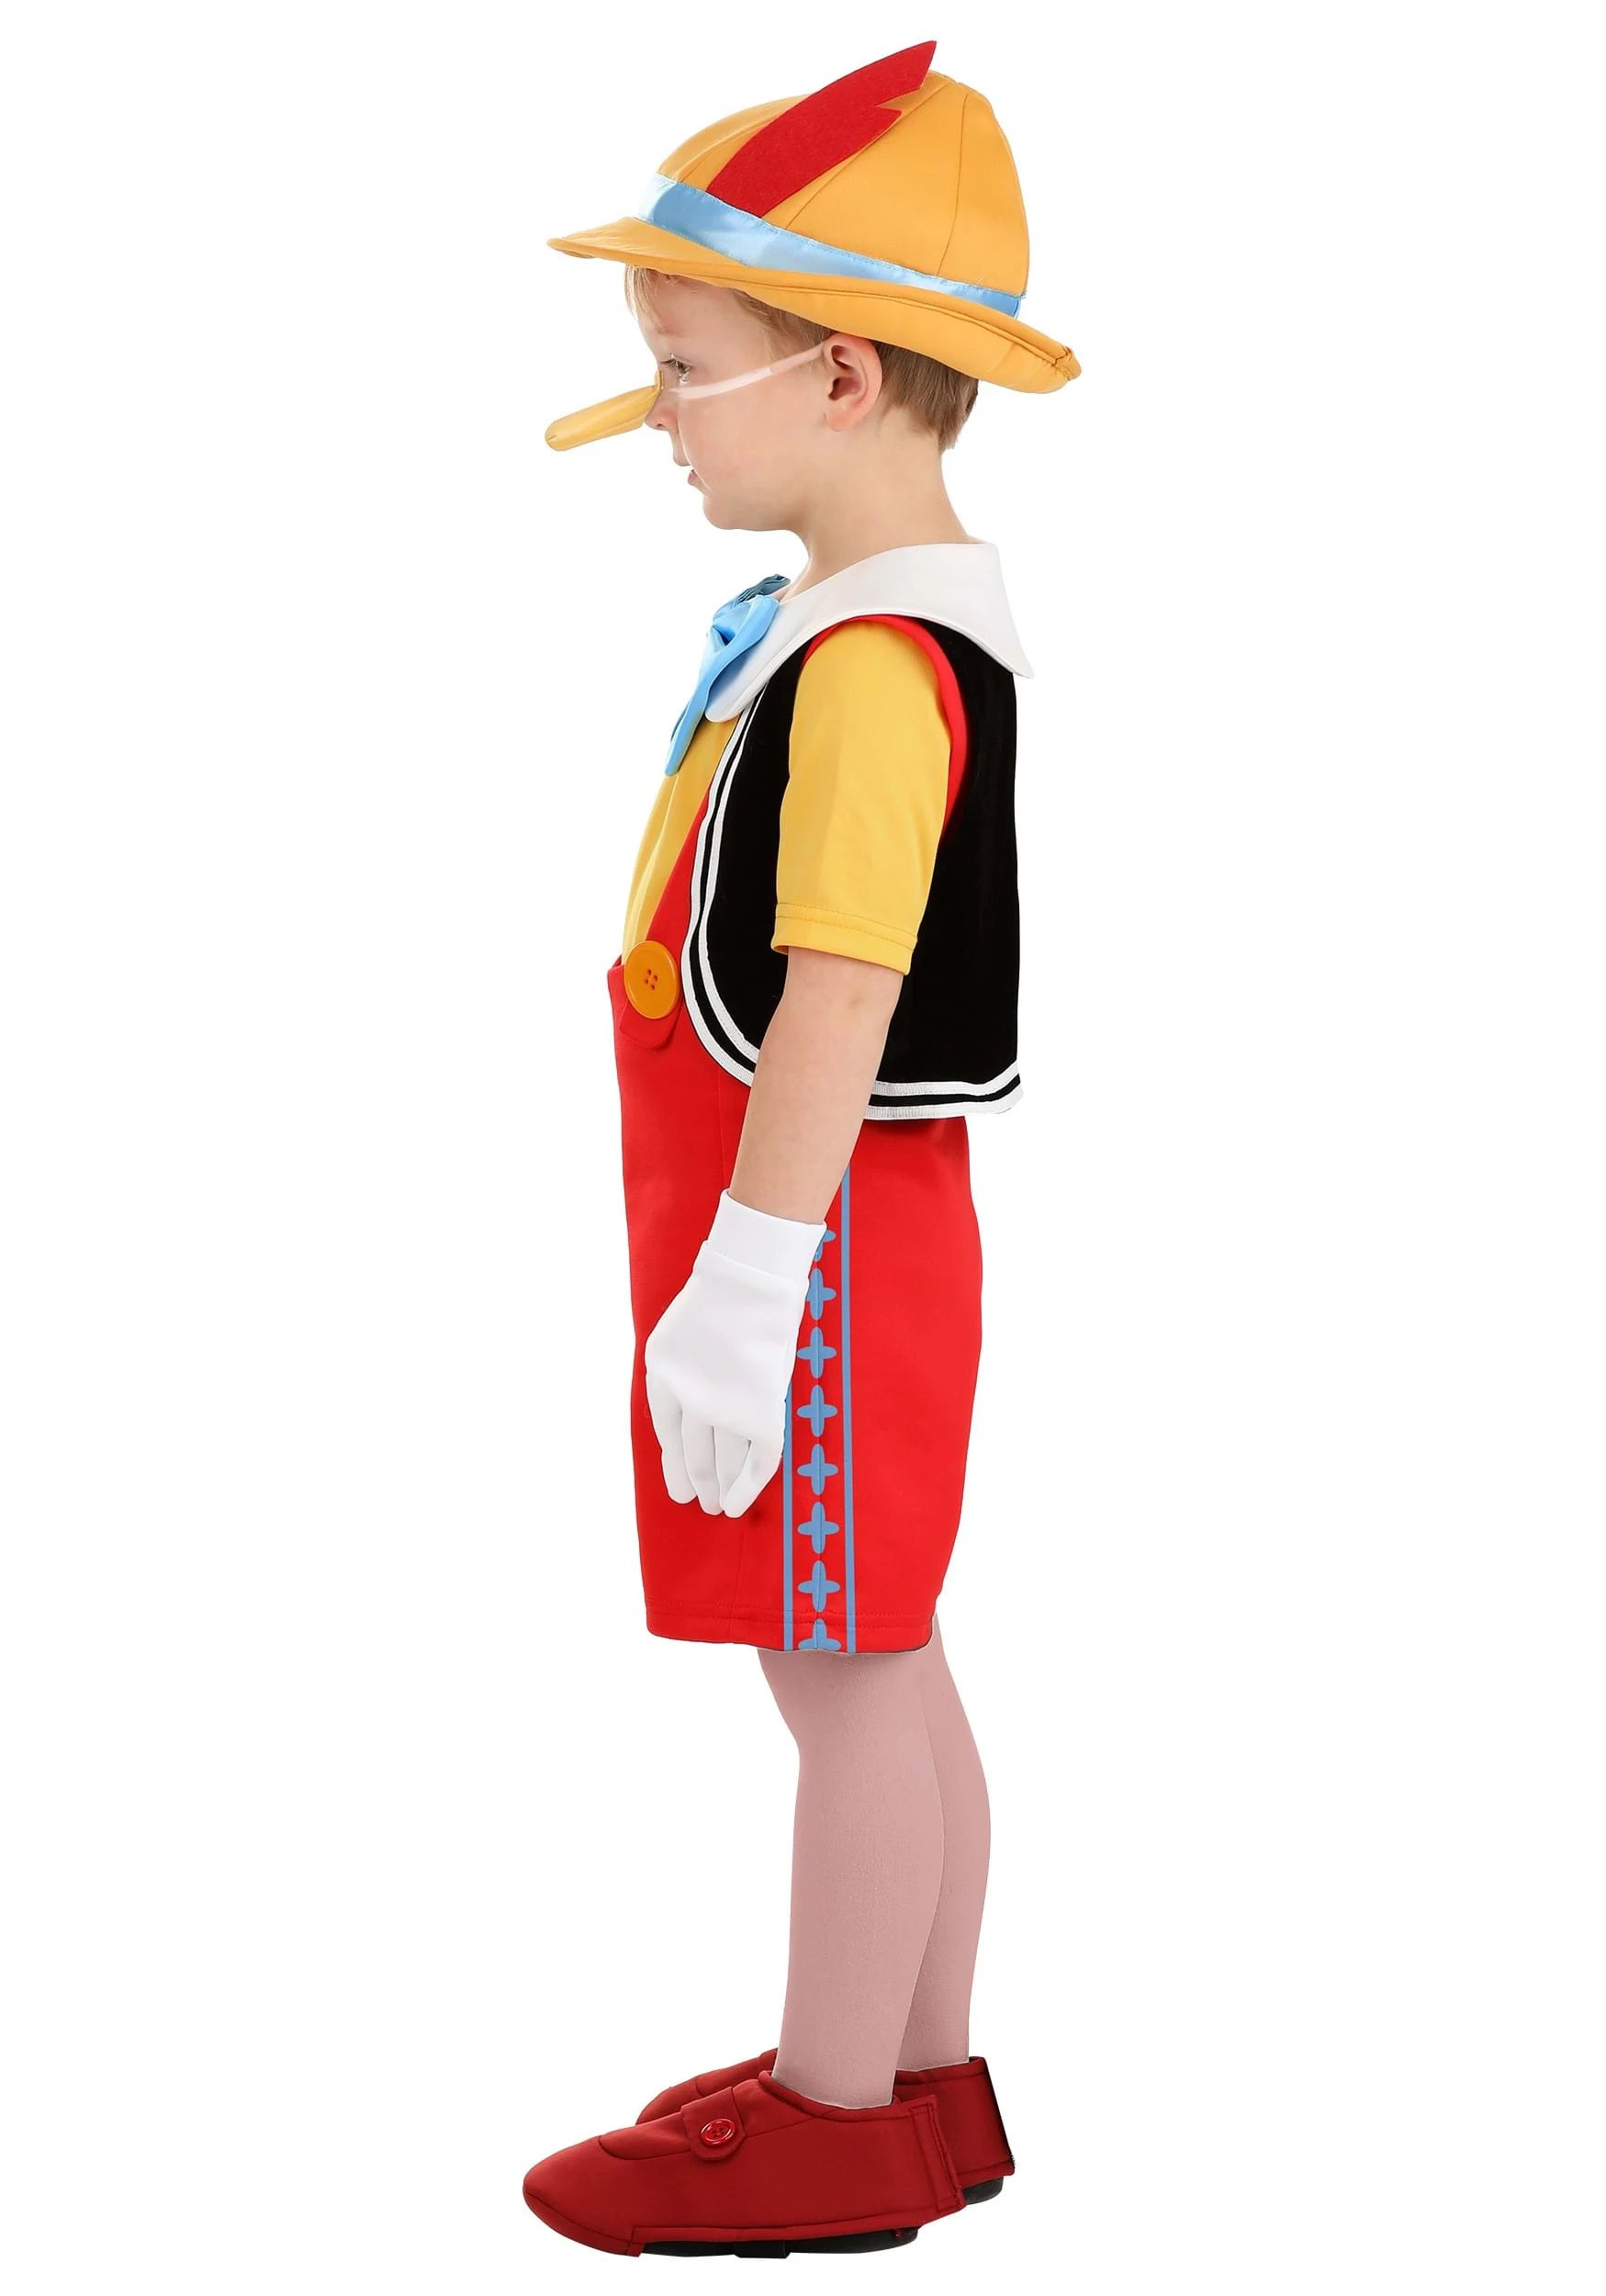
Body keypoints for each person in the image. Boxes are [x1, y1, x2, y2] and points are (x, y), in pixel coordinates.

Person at [523, 39, 1079, 2258]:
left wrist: (747, 1287)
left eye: (684, 367)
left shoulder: (865, 665)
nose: (658, 415)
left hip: (816, 1237)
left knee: (838, 1673)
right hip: (843, 1226)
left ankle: (835, 2105)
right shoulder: (873, 623)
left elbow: (836, 992)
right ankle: (923, 2077)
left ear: (842, 375)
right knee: (887, 1653)